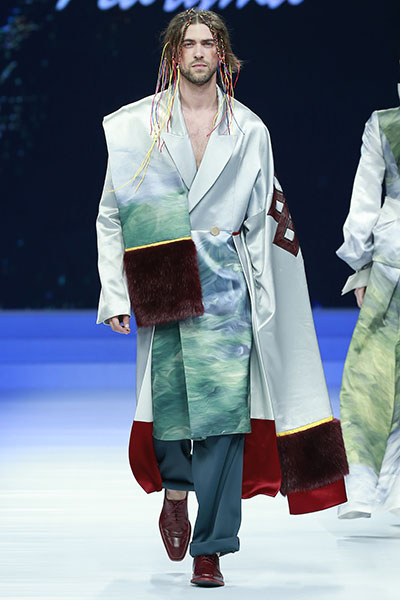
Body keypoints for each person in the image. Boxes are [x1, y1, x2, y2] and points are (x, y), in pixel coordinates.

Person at [96, 8, 348, 587]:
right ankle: (175, 491)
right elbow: (111, 214)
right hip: (162, 275)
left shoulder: (250, 130)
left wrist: (269, 300)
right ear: (174, 55)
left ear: (223, 54)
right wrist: (115, 293)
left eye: (208, 43)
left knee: (223, 421)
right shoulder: (138, 127)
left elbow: (264, 218)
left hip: (228, 285)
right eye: (189, 43)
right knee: (169, 417)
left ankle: (211, 548)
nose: (199, 52)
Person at [337, 84, 400, 519]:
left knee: (372, 375)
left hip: (393, 259)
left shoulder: (385, 124)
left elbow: (364, 201)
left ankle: (364, 487)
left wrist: (359, 263)